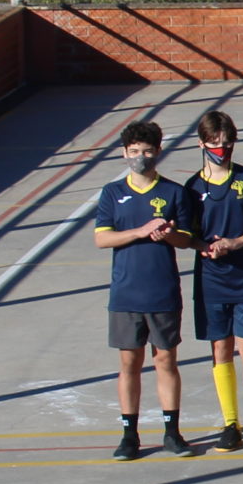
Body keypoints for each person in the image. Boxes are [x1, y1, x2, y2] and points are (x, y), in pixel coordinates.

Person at [92, 119, 194, 460]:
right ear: (124, 153)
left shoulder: (174, 193)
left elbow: (187, 240)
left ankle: (171, 431)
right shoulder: (113, 193)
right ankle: (129, 434)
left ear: (158, 153)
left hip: (162, 290)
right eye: (134, 152)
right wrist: (139, 231)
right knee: (129, 363)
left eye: (147, 151)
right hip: (125, 293)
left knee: (166, 360)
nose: (140, 158)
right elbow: (101, 238)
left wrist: (167, 233)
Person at [183, 110, 243, 449]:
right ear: (202, 143)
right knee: (221, 349)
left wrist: (237, 242)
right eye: (215, 144)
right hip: (211, 280)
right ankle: (231, 423)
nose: (222, 150)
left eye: (227, 144)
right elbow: (187, 236)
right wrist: (206, 248)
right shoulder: (193, 188)